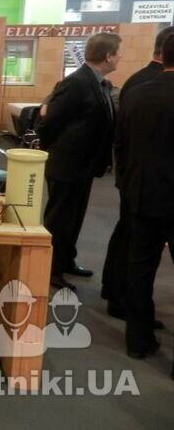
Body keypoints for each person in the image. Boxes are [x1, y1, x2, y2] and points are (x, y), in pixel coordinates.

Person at [36, 32, 121, 291]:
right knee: (59, 220)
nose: (120, 58)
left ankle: (66, 260)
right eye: (118, 53)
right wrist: (55, 151)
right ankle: (50, 269)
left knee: (73, 219)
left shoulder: (98, 83)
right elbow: (49, 122)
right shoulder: (77, 82)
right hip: (66, 165)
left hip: (83, 166)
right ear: (108, 56)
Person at [102, 26, 174, 323]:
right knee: (133, 252)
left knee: (137, 258)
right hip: (155, 190)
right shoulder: (143, 84)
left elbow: (120, 141)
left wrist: (127, 179)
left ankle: (135, 327)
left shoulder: (137, 85)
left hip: (138, 186)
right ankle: (119, 299)